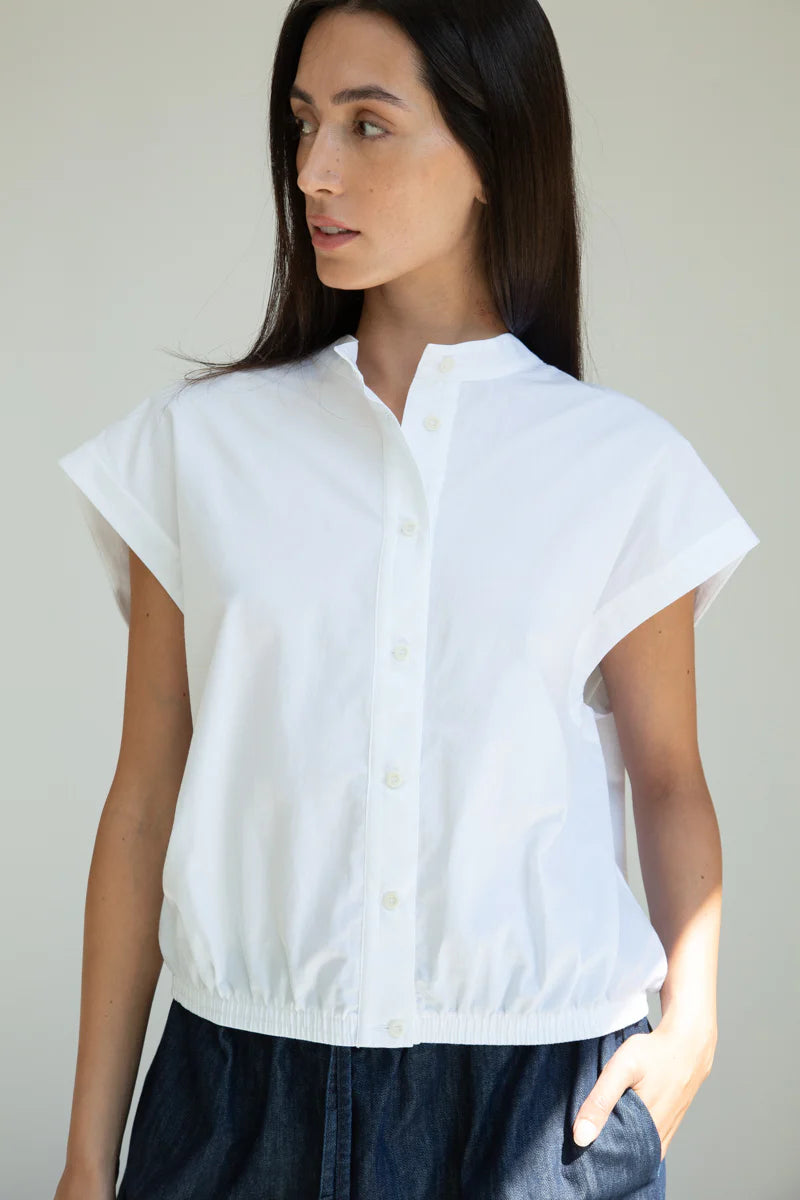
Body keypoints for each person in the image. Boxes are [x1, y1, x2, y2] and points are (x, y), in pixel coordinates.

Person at [53, 2, 760, 1198]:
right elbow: (141, 803)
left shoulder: (619, 467)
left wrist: (687, 1031)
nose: (313, 172)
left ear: (493, 155)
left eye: (368, 126)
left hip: (535, 1113)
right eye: (302, 124)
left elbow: (669, 779)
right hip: (235, 1098)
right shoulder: (196, 452)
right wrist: (84, 1160)